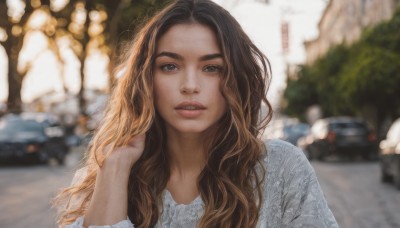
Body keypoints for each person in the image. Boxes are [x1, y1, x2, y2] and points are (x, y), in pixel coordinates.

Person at [54, 0, 339, 227]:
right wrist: (115, 167)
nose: (190, 86)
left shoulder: (281, 169)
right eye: (170, 66)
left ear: (236, 79)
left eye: (211, 68)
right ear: (145, 79)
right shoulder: (105, 175)